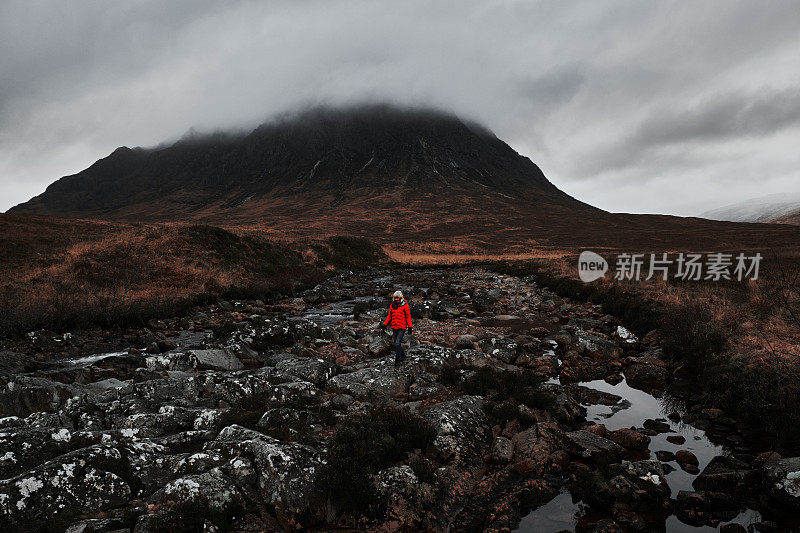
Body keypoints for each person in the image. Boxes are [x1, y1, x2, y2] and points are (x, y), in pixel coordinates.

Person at [379, 290, 413, 365]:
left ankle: (398, 360)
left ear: (401, 298)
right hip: (394, 327)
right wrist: (385, 325)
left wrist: (410, 327)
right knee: (396, 343)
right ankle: (403, 355)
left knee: (397, 343)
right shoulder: (392, 305)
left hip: (402, 327)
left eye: (398, 298)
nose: (396, 299)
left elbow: (408, 317)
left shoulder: (405, 305)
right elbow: (389, 316)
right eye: (395, 298)